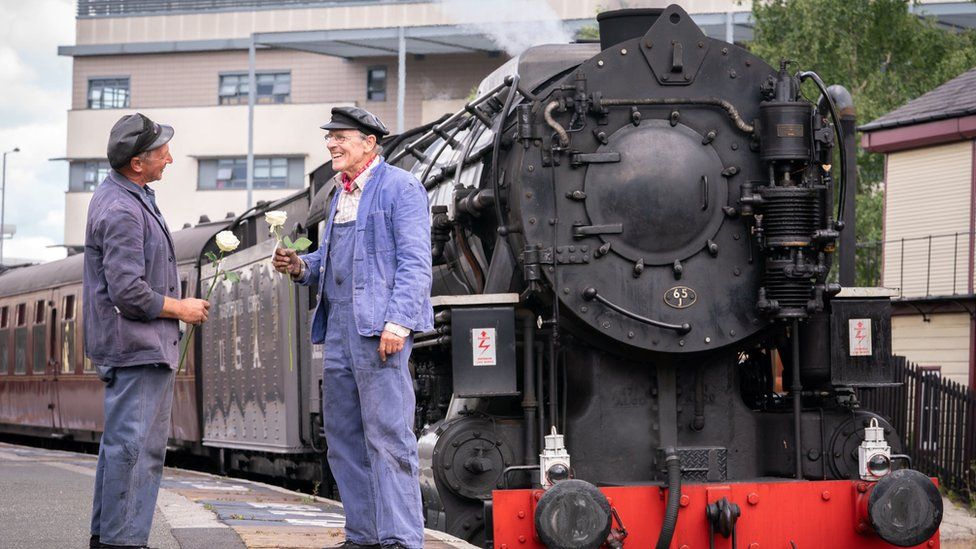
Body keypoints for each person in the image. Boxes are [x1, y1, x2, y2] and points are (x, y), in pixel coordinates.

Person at [273, 106, 433, 549]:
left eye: (341, 136)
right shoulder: (341, 194)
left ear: (369, 142)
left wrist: (398, 323)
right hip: (339, 330)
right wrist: (300, 265)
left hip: (378, 330)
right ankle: (362, 535)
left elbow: (416, 264)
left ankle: (401, 539)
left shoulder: (402, 189)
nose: (331, 144)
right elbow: (332, 262)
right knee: (342, 440)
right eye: (329, 137)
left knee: (389, 440)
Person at [84, 113, 211, 549]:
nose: (170, 158)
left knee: (122, 448)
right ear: (137, 162)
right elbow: (128, 292)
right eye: (162, 151)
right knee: (136, 452)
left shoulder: (129, 196)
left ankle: (110, 539)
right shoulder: (122, 208)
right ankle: (125, 542)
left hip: (136, 347)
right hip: (137, 348)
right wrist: (183, 308)